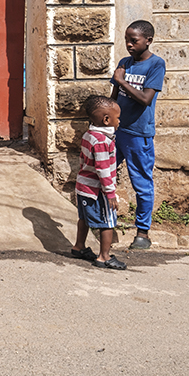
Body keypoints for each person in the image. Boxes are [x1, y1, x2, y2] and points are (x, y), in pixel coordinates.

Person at [110, 20, 166, 250]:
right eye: (126, 40)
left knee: (141, 183)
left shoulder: (156, 65)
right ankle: (107, 227)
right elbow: (114, 97)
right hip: (118, 131)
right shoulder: (125, 63)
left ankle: (142, 232)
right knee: (106, 175)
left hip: (138, 134)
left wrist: (122, 80)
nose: (129, 45)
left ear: (148, 40)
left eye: (134, 41)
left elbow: (145, 99)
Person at [71, 95, 126, 270]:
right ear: (107, 119)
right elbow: (103, 169)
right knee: (108, 222)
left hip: (83, 187)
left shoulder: (89, 135)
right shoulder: (103, 141)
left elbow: (82, 160)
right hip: (98, 191)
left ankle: (79, 246)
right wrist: (110, 193)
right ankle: (104, 256)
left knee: (84, 218)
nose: (119, 121)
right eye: (117, 117)